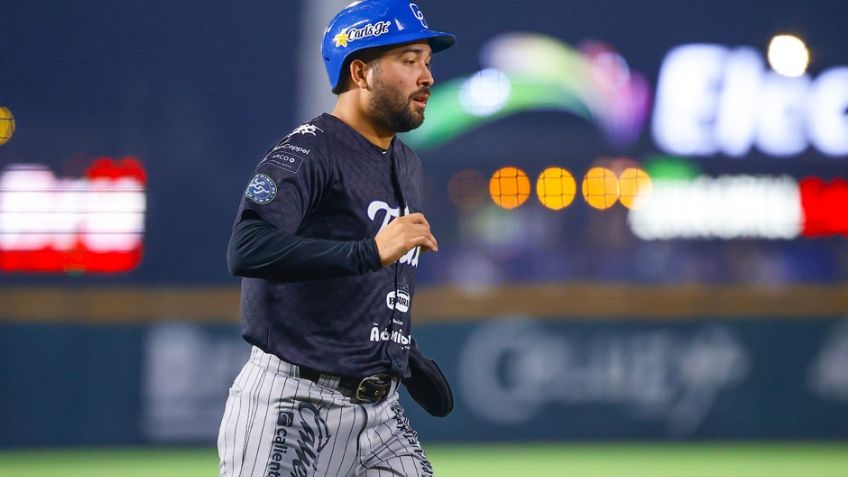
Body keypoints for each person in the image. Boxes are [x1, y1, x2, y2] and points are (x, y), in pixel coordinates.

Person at [217, 2, 456, 476]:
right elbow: (247, 246)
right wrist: (369, 251)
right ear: (361, 72)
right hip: (293, 403)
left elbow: (358, 288)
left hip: (380, 413)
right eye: (410, 61)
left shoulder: (406, 163)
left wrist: (404, 352)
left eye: (427, 61)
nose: (426, 76)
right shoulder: (307, 150)